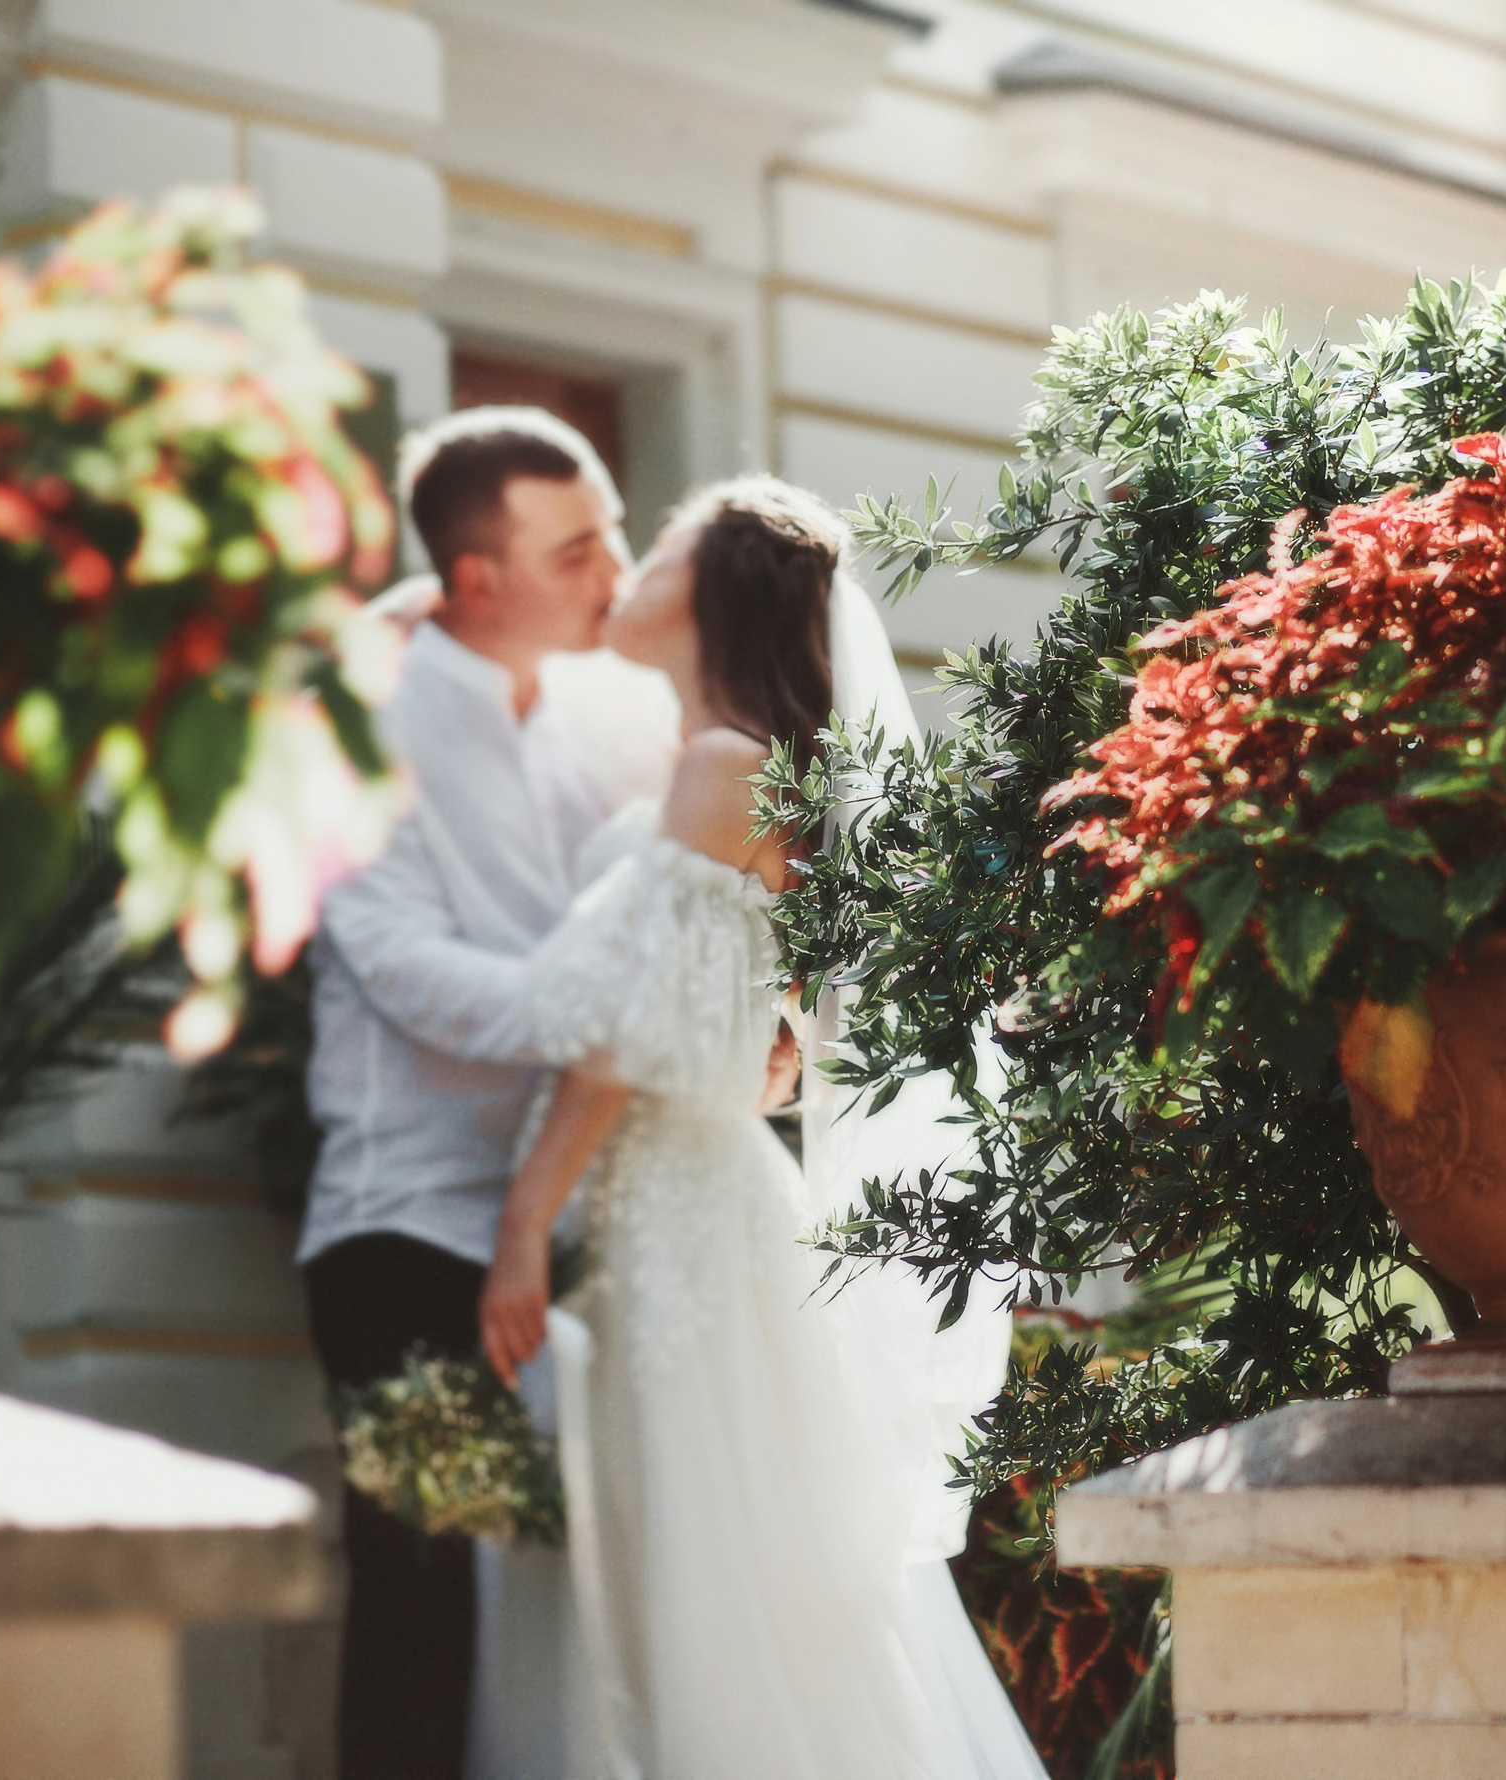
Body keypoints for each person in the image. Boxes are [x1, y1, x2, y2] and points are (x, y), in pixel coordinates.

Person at [450, 477, 1048, 1780]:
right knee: (703, 1579)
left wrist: (518, 1227)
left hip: (685, 1219)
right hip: (688, 1206)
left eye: (657, 541)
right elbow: (734, 1004)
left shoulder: (724, 771)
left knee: (703, 1593)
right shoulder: (720, 768)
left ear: (715, 585)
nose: (631, 561)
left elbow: (615, 1041)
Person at [294, 407, 677, 1780]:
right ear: (475, 583)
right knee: (424, 1598)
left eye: (619, 534)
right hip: (400, 1233)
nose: (616, 570)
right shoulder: (355, 732)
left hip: (577, 1224)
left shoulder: (602, 709)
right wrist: (624, 1013)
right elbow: (412, 973)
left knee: (565, 1619)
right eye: (580, 547)